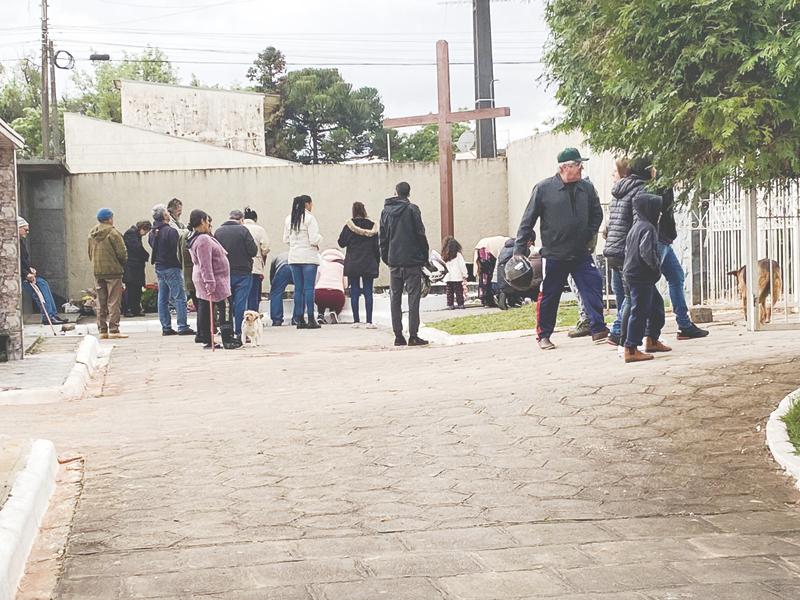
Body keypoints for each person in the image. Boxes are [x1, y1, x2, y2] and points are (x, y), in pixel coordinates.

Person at [514, 147, 607, 350]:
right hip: (554, 254)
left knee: (592, 286)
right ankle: (544, 335)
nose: (582, 168)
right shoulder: (543, 188)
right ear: (566, 167)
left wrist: (587, 233)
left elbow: (597, 214)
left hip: (580, 252)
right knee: (549, 294)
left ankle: (598, 328)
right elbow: (527, 220)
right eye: (578, 165)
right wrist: (519, 250)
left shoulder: (587, 188)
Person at [379, 181, 429, 347]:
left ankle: (398, 335)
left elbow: (383, 238)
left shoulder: (385, 212)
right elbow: (420, 234)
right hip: (412, 260)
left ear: (395, 192)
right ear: (408, 193)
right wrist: (424, 257)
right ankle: (413, 335)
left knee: (395, 297)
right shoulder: (412, 209)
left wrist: (387, 257)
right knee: (413, 298)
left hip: (394, 261)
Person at [658, 189, 709, 340]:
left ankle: (684, 324)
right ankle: (632, 331)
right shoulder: (651, 183)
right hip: (656, 238)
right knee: (646, 284)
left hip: (664, 239)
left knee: (676, 276)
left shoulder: (663, 183)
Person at [623, 192, 669, 363]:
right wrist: (656, 268)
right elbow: (646, 253)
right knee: (639, 311)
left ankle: (651, 339)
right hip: (640, 276)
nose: (660, 213)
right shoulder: (648, 228)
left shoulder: (637, 226)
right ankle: (631, 348)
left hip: (635, 274)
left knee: (656, 307)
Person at [187, 210, 235, 350]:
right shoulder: (202, 239)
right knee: (225, 306)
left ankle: (206, 338)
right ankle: (227, 337)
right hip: (214, 279)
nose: (209, 224)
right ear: (202, 221)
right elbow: (205, 263)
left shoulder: (197, 237)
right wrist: (210, 282)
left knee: (205, 307)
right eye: (208, 221)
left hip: (209, 278)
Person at [149, 204, 194, 337]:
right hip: (172, 267)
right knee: (179, 297)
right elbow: (177, 249)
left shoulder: (152, 232)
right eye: (166, 213)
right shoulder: (170, 231)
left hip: (159, 266)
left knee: (162, 298)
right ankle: (182, 326)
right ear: (164, 216)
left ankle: (166, 326)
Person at [214, 209, 258, 344]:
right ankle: (240, 332)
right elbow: (253, 251)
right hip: (243, 272)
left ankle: (228, 332)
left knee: (227, 305)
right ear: (241, 219)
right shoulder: (243, 230)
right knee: (240, 303)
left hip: (224, 273)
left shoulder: (218, 232)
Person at [17, 217, 67, 325]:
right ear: (18, 228)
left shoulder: (20, 243)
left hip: (25, 273)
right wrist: (26, 274)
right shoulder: (16, 244)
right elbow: (16, 262)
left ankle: (51, 314)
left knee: (43, 284)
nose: (27, 232)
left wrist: (30, 269)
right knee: (40, 287)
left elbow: (23, 261)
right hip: (22, 276)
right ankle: (48, 316)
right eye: (25, 229)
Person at [88, 208, 128, 339]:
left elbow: (90, 252)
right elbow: (122, 253)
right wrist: (122, 263)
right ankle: (114, 330)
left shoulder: (92, 233)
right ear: (110, 218)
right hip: (113, 271)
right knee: (114, 301)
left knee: (101, 301)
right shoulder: (113, 233)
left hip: (97, 271)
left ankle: (102, 330)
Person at [337, 201, 380, 328]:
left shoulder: (349, 226)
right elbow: (376, 248)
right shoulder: (372, 226)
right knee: (368, 291)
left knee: (354, 291)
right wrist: (376, 262)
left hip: (353, 263)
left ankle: (356, 321)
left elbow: (341, 243)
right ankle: (369, 321)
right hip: (369, 262)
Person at [284, 195, 322, 329]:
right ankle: (311, 318)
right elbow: (314, 239)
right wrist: (320, 239)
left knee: (298, 289)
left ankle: (299, 319)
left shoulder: (289, 219)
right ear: (307, 204)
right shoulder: (310, 219)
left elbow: (286, 239)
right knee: (309, 289)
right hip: (309, 258)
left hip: (294, 257)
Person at [243, 207, 270, 312]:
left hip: (239, 268)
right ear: (255, 219)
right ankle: (253, 318)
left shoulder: (239, 227)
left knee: (241, 295)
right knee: (253, 294)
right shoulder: (259, 229)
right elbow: (265, 248)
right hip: (255, 267)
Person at [122, 220, 151, 317]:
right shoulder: (131, 234)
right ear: (142, 228)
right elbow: (136, 248)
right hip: (132, 266)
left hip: (135, 267)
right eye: (146, 231)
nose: (145, 234)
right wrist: (146, 255)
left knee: (137, 288)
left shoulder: (135, 234)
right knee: (131, 288)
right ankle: (129, 309)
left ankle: (135, 309)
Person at [473, 235, 509, 307]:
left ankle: (484, 298)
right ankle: (487, 300)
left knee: (484, 275)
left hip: (482, 246)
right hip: (487, 249)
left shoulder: (507, 241)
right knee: (488, 276)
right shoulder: (510, 244)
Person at [315, 248, 347, 324]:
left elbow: (316, 280)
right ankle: (334, 312)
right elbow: (345, 284)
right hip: (336, 295)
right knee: (336, 299)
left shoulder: (321, 264)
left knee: (322, 300)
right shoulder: (342, 265)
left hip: (319, 294)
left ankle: (320, 314)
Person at [442, 236, 468, 309]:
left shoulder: (444, 256)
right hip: (457, 277)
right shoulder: (458, 255)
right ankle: (460, 304)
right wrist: (465, 274)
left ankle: (450, 305)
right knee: (459, 291)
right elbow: (462, 265)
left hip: (448, 277)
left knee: (449, 292)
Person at [268, 252, 294, 326]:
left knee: (276, 293)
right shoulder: (296, 254)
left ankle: (277, 320)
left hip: (282, 268)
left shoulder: (276, 257)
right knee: (300, 291)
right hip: (295, 265)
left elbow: (272, 274)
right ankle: (297, 319)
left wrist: (273, 288)